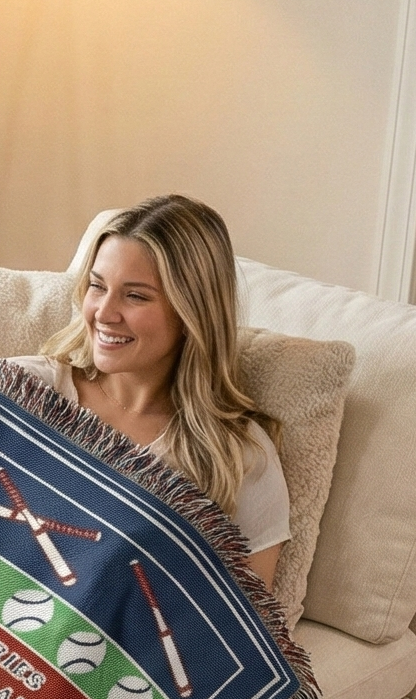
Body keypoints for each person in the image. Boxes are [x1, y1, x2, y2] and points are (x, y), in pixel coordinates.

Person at [34, 195, 289, 590]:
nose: (104, 312)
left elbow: (248, 631)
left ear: (192, 313)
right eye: (97, 286)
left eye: (135, 296)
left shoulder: (236, 459)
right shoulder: (23, 389)